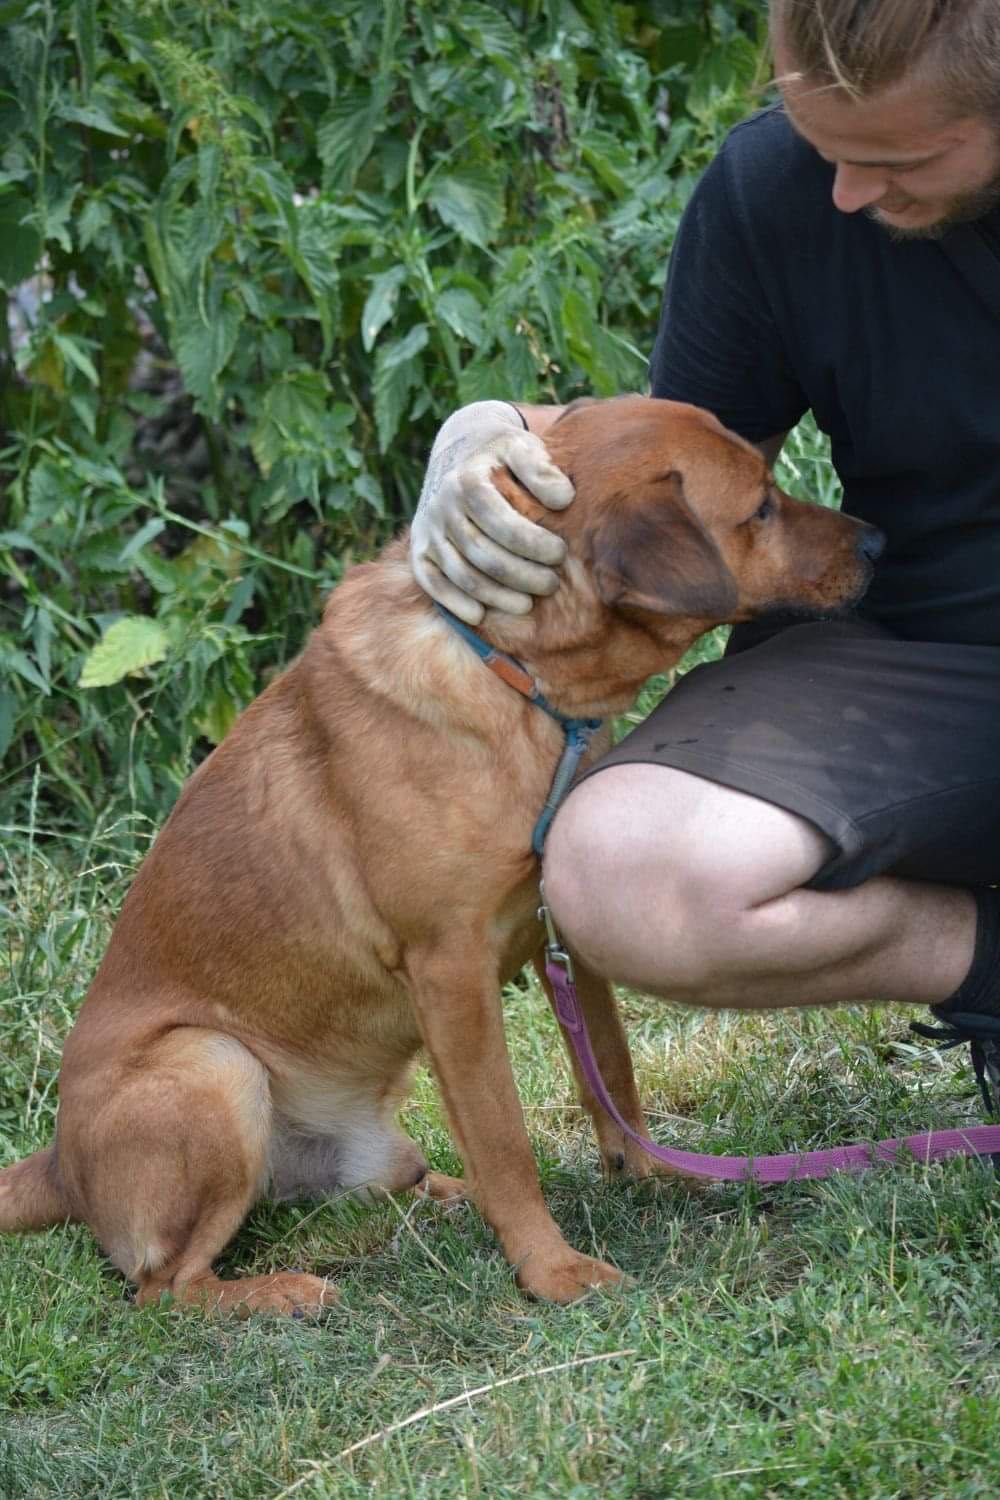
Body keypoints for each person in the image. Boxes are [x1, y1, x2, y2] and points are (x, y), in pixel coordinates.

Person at [408, 0, 1000, 1089]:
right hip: (923, 653)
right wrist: (483, 436)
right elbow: (676, 466)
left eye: (896, 157)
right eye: (823, 145)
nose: (847, 195)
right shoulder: (775, 189)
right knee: (628, 871)